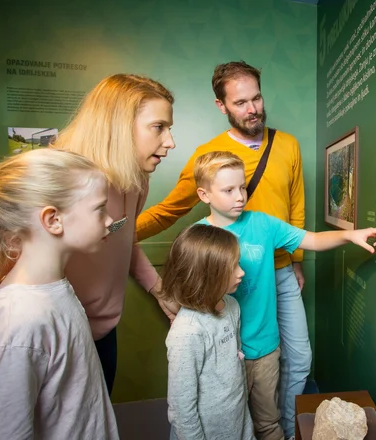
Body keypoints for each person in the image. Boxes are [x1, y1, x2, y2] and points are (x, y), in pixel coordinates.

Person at [136, 60, 310, 437]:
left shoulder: (289, 145)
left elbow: (296, 206)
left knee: (298, 358)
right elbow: (170, 211)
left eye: (257, 98)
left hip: (278, 270)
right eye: (241, 102)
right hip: (232, 275)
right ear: (222, 106)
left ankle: (285, 430)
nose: (253, 109)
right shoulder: (207, 155)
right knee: (236, 364)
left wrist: (297, 261)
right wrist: (121, 233)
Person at [190, 151, 376, 440]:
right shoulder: (198, 237)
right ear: (204, 194)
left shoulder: (262, 224)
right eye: (229, 190)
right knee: (228, 425)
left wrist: (351, 235)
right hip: (224, 353)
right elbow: (191, 296)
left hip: (266, 347)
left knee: (268, 421)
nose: (240, 197)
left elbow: (312, 239)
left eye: (243, 187)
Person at [0, 149, 119, 439]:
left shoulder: (54, 291)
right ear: (53, 220)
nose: (110, 220)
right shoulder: (20, 320)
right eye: (99, 208)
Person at [53, 73, 176, 394]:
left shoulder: (136, 178)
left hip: (104, 330)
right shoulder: (60, 178)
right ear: (119, 125)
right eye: (159, 127)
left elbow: (124, 238)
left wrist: (159, 289)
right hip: (61, 337)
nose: (170, 142)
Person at [162, 224, 254, 439]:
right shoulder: (187, 332)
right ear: (206, 274)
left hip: (237, 422)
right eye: (232, 267)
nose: (241, 272)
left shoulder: (232, 306)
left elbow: (236, 359)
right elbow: (182, 410)